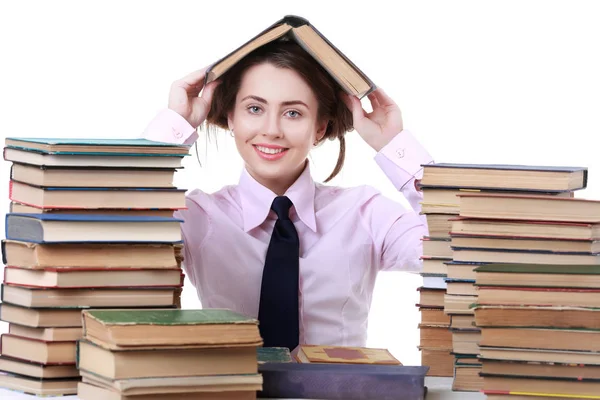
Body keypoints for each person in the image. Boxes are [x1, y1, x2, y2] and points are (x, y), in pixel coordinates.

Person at [142, 40, 434, 350]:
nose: (271, 130)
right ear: (231, 117)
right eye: (254, 108)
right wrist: (171, 132)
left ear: (320, 127)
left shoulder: (365, 213)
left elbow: (466, 248)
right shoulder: (198, 217)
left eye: (293, 113)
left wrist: (396, 148)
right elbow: (116, 233)